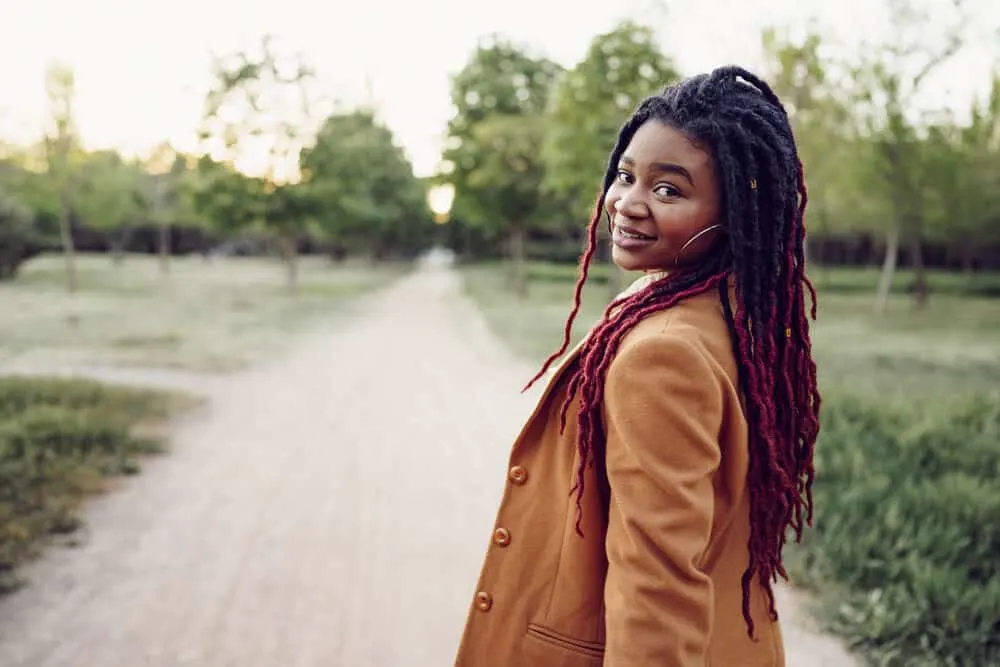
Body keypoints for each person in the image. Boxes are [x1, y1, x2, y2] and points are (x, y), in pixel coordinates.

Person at [455, 65, 821, 667]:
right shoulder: (728, 314)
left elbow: (658, 584)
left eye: (669, 189)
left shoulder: (664, 352)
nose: (627, 203)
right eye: (626, 176)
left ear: (734, 214)